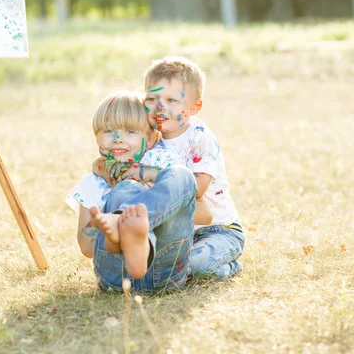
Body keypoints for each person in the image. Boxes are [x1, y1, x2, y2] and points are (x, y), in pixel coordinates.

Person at [93, 56, 245, 280]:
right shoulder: (151, 141)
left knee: (197, 265)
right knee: (165, 269)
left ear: (195, 106)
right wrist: (105, 168)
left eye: (172, 100)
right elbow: (104, 163)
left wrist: (146, 173)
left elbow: (196, 188)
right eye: (152, 99)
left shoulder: (199, 137)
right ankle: (130, 233)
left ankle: (230, 267)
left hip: (218, 229)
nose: (160, 107)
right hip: (178, 232)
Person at [66, 90, 198, 292]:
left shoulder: (164, 162)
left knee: (183, 175)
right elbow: (86, 248)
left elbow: (201, 213)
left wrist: (146, 174)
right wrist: (107, 224)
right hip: (116, 275)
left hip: (166, 271)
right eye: (109, 131)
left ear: (152, 138)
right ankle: (126, 228)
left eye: (130, 131)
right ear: (96, 138)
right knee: (125, 189)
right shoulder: (92, 183)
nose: (118, 139)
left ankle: (128, 228)